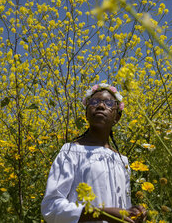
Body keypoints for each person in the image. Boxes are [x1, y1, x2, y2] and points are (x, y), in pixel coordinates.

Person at [41, 83, 146, 223]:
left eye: (109, 103)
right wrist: (102, 213)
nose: (101, 106)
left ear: (117, 118)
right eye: (94, 102)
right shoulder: (70, 152)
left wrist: (133, 212)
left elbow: (122, 209)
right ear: (86, 114)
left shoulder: (122, 161)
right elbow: (51, 207)